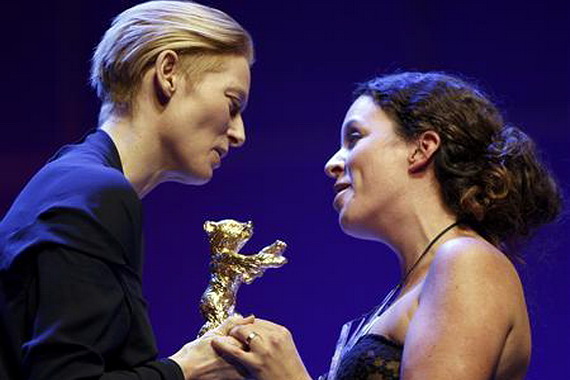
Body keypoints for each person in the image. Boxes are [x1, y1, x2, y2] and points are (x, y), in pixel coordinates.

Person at [210, 72, 563, 379]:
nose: (333, 163)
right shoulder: (415, 285)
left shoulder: (467, 260)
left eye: (355, 138)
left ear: (421, 149)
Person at [0, 1, 256, 379]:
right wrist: (185, 369)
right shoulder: (96, 191)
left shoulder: (75, 178)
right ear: (168, 73)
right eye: (232, 104)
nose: (239, 133)